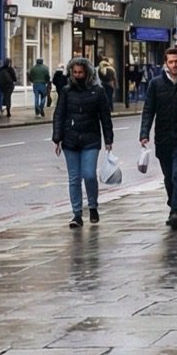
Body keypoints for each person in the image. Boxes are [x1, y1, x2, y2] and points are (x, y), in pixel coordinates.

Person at [52, 55, 113, 228]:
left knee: (89, 174)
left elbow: (105, 117)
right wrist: (57, 138)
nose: (77, 75)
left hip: (90, 139)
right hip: (70, 139)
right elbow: (59, 115)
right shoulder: (66, 91)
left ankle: (92, 206)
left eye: (81, 72)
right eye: (75, 72)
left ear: (88, 73)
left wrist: (108, 139)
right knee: (74, 178)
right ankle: (76, 214)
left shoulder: (97, 91)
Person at [140, 43, 177, 230]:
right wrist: (144, 133)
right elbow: (149, 110)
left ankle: (176, 211)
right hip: (163, 138)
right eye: (171, 62)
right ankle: (174, 203)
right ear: (165, 63)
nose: (175, 65)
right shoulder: (156, 84)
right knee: (169, 176)